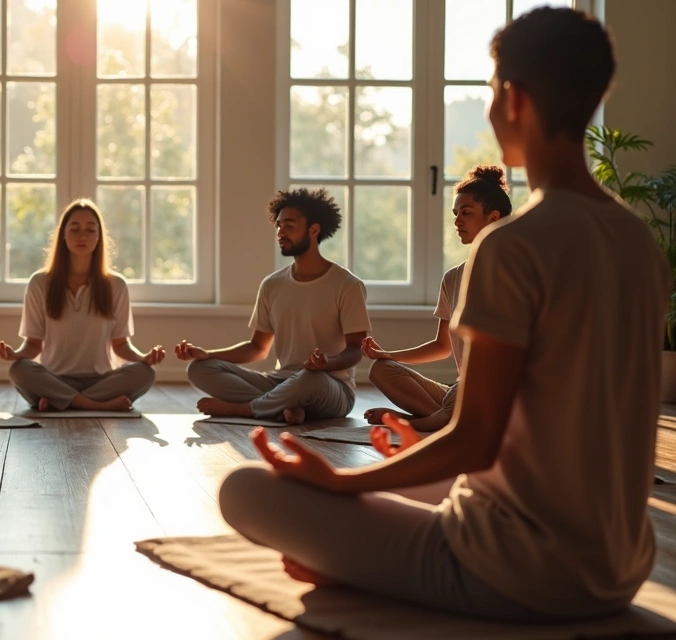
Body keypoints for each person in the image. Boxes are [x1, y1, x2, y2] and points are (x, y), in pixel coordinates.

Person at [217, 8, 668, 622]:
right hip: (618, 566)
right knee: (407, 469)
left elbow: (476, 440)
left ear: (515, 98)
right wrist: (411, 458)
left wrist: (342, 484)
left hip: (516, 570)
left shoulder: (510, 248)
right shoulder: (635, 242)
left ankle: (359, 569)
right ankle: (368, 544)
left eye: (490, 90)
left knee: (243, 491)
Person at [176, 188, 369, 424]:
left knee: (309, 378)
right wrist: (208, 354)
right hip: (281, 381)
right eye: (278, 226)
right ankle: (284, 408)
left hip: (329, 385)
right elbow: (257, 348)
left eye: (289, 225)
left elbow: (356, 350)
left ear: (314, 229)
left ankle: (245, 409)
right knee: (199, 369)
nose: (280, 232)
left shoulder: (347, 285)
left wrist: (327, 363)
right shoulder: (272, 285)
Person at [361, 165, 514, 432]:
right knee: (381, 369)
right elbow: (442, 346)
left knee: (465, 392)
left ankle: (422, 422)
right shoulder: (453, 278)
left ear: (493, 217)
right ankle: (448, 422)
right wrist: (387, 354)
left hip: (494, 391)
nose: (457, 222)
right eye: (455, 214)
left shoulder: (513, 273)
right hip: (460, 390)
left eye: (466, 213)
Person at [0, 199, 164, 412]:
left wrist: (144, 358)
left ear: (99, 237)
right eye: (75, 229)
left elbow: (120, 345)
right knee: (19, 370)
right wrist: (14, 355)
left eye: (90, 230)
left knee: (145, 373)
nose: (82, 236)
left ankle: (60, 401)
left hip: (100, 381)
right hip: (54, 378)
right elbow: (33, 344)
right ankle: (92, 404)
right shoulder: (40, 283)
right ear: (63, 235)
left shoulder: (115, 285)